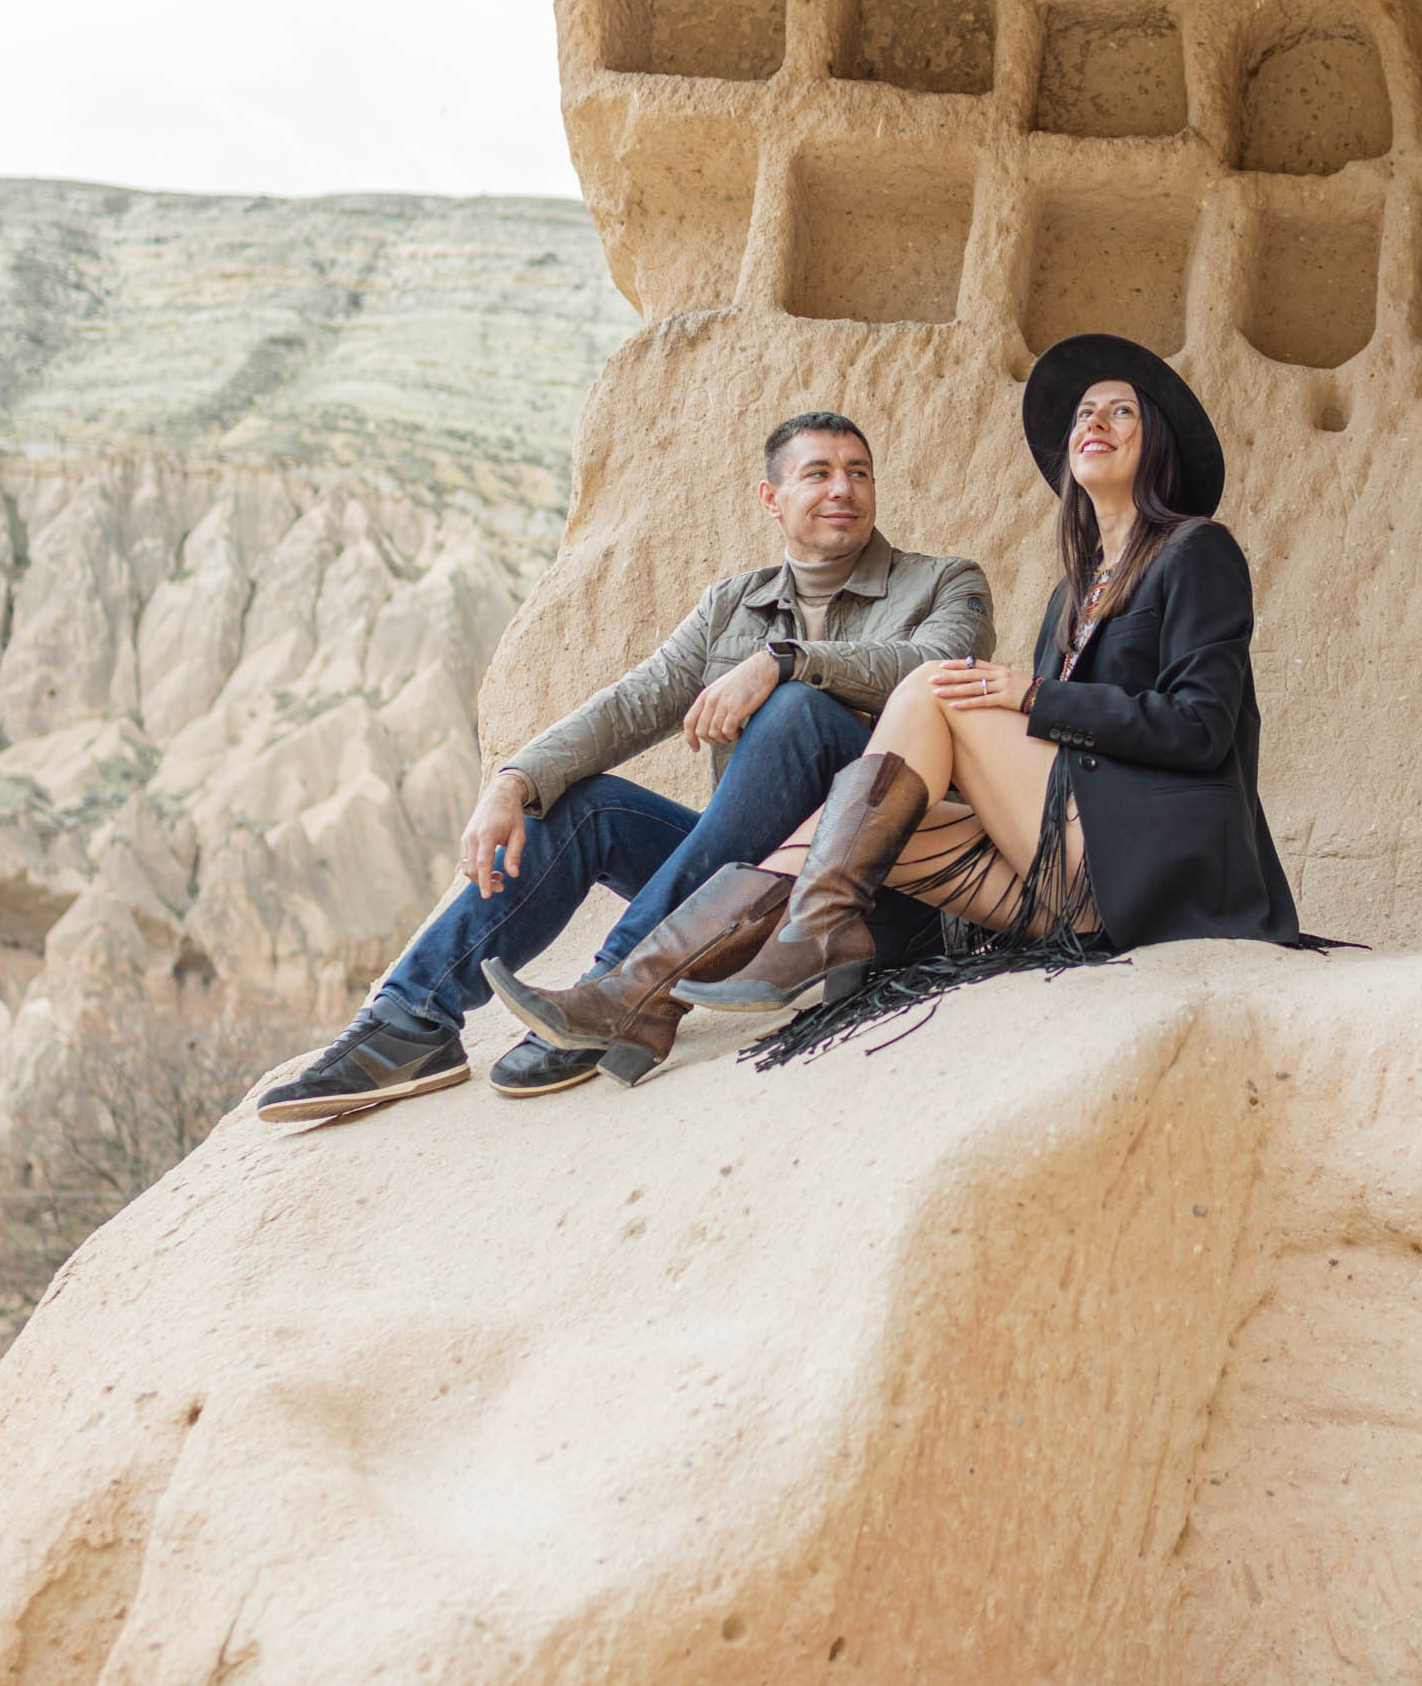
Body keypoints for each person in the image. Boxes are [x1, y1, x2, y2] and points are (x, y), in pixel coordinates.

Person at [486, 333, 1311, 1077]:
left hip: (1162, 866)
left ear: (1155, 439)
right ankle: (643, 993)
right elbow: (638, 698)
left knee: (931, 683)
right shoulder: (1072, 591)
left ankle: (751, 953)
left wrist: (1032, 695)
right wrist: (520, 777)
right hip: (1065, 879)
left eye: (1121, 411)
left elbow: (1202, 730)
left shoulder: (1196, 551)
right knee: (840, 824)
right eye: (1084, 412)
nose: (1095, 420)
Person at [254, 412, 993, 1122]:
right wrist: (515, 779)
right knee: (588, 806)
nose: (842, 489)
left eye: (858, 473)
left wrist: (784, 664)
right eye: (819, 473)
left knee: (798, 711)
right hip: (747, 893)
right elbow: (631, 705)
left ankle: (614, 991)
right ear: (771, 499)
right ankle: (409, 1020)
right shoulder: (732, 605)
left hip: (879, 899)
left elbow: (932, 666)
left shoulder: (943, 583)